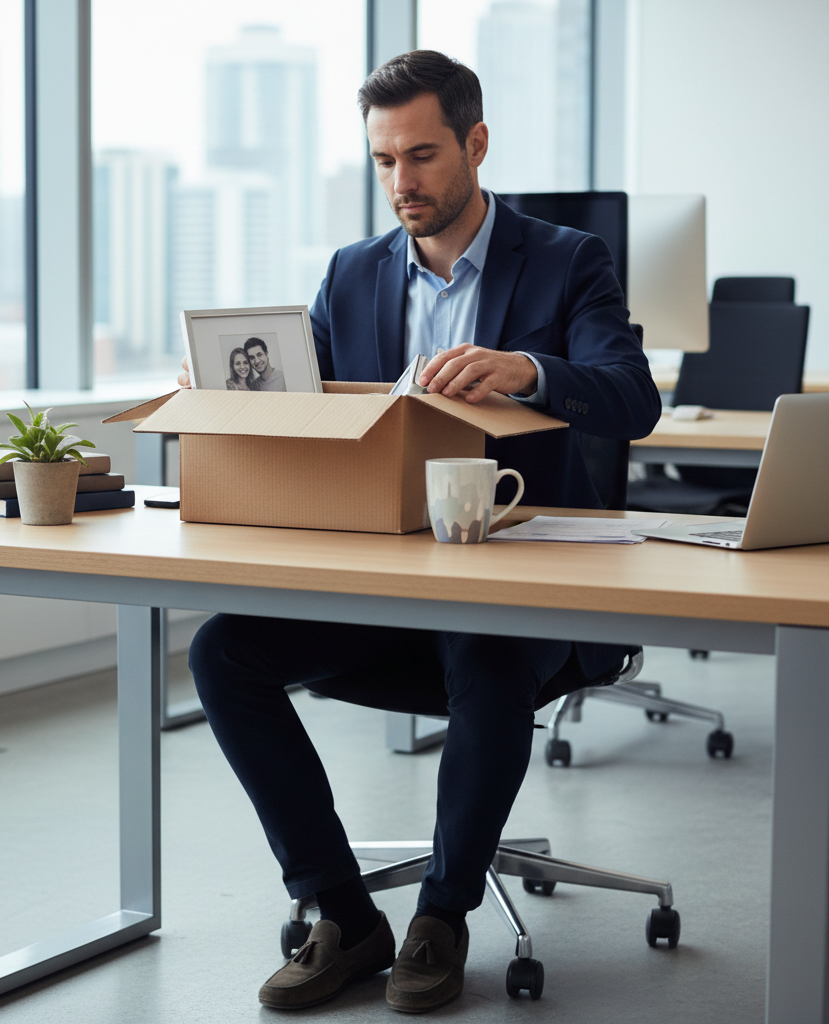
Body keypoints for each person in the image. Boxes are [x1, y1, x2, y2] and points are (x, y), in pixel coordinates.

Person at [183, 51, 661, 1013]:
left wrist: (527, 368)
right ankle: (342, 915)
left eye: (424, 155)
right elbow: (310, 416)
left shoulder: (570, 260)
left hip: (520, 592)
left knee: (487, 651)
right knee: (223, 651)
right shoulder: (351, 276)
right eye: (384, 161)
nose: (403, 182)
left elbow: (633, 400)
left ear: (476, 144)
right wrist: (233, 397)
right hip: (384, 590)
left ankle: (442, 914)